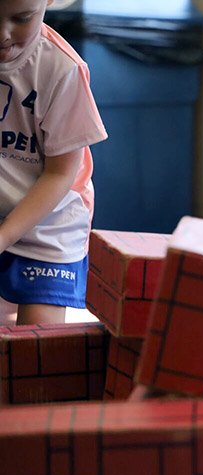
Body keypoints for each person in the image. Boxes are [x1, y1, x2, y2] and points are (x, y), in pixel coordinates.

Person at [0, 0, 107, 325]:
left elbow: (60, 175)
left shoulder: (61, 69)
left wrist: (3, 236)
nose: (3, 34)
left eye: (21, 18)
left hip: (49, 225)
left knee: (37, 344)